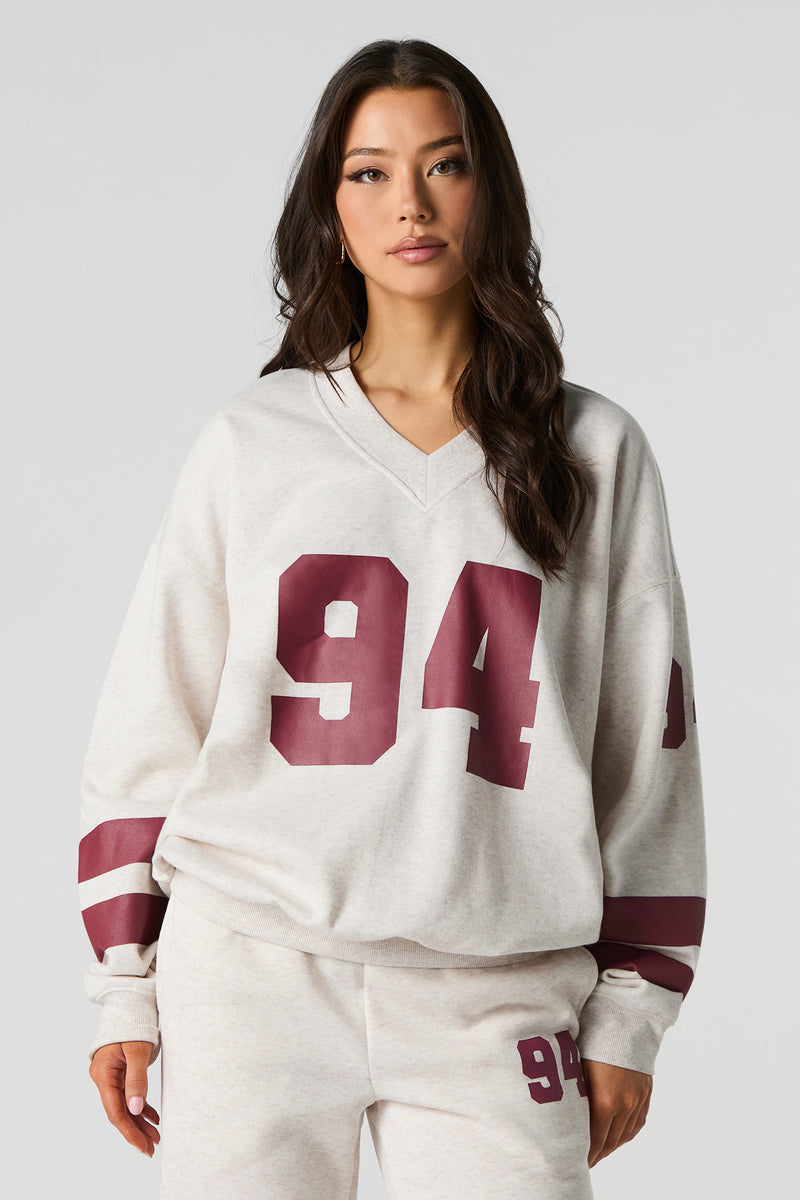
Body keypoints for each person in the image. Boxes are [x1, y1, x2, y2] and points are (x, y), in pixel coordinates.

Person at [78, 37, 707, 1200]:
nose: (409, 203)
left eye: (443, 165)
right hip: (251, 971)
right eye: (368, 172)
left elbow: (647, 751)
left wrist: (633, 1006)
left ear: (489, 189)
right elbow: (151, 719)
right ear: (330, 209)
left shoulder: (594, 450)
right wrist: (125, 983)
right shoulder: (253, 442)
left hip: (498, 985)